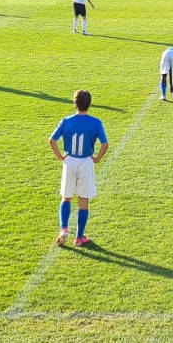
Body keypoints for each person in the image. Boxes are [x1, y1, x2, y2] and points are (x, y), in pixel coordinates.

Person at [49, 90, 108, 247]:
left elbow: (52, 140)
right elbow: (105, 144)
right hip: (86, 162)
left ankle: (63, 228)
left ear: (75, 103)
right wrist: (97, 159)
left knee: (66, 197)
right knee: (83, 200)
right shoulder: (96, 122)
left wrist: (60, 157)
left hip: (70, 161)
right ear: (89, 104)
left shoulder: (66, 121)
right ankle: (79, 237)